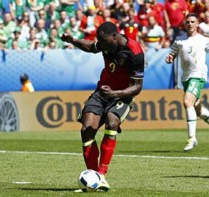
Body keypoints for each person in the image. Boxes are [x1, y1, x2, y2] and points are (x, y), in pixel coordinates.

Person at [61, 21, 145, 192]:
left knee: (112, 122)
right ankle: (93, 176)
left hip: (122, 94)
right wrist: (73, 40)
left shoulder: (135, 52)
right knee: (86, 130)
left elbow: (137, 87)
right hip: (102, 92)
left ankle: (101, 175)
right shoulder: (105, 42)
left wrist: (115, 94)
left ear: (115, 36)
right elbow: (91, 47)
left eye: (105, 41)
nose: (102, 46)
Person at [165, 13, 209, 152]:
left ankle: (192, 138)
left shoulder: (204, 40)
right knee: (196, 108)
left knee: (187, 102)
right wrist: (169, 58)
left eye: (193, 21)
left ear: (197, 24)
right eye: (188, 22)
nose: (190, 24)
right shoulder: (179, 41)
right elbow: (172, 55)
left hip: (198, 75)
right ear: (185, 24)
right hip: (186, 77)